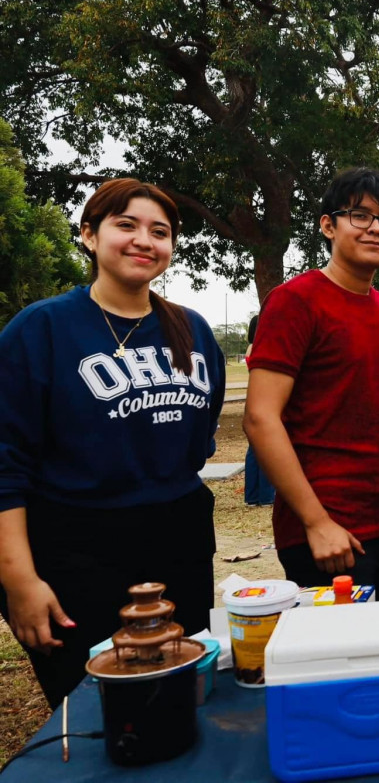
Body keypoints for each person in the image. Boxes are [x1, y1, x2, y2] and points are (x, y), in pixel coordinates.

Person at [0, 178, 226, 707]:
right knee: (94, 710)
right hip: (74, 551)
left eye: (160, 232)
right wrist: (19, 581)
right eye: (126, 225)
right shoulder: (41, 329)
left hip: (179, 544)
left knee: (182, 697)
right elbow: (5, 466)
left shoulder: (192, 330)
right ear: (88, 234)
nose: (144, 240)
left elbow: (200, 438)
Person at [244, 168, 379, 599]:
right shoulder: (295, 301)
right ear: (328, 226)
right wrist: (316, 522)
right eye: (360, 215)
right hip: (325, 531)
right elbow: (260, 417)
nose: (375, 228)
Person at [242, 314, 275, 507]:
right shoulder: (265, 347)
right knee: (269, 446)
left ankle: (252, 495)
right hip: (267, 398)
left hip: (253, 396)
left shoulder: (250, 348)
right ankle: (267, 496)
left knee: (253, 450)